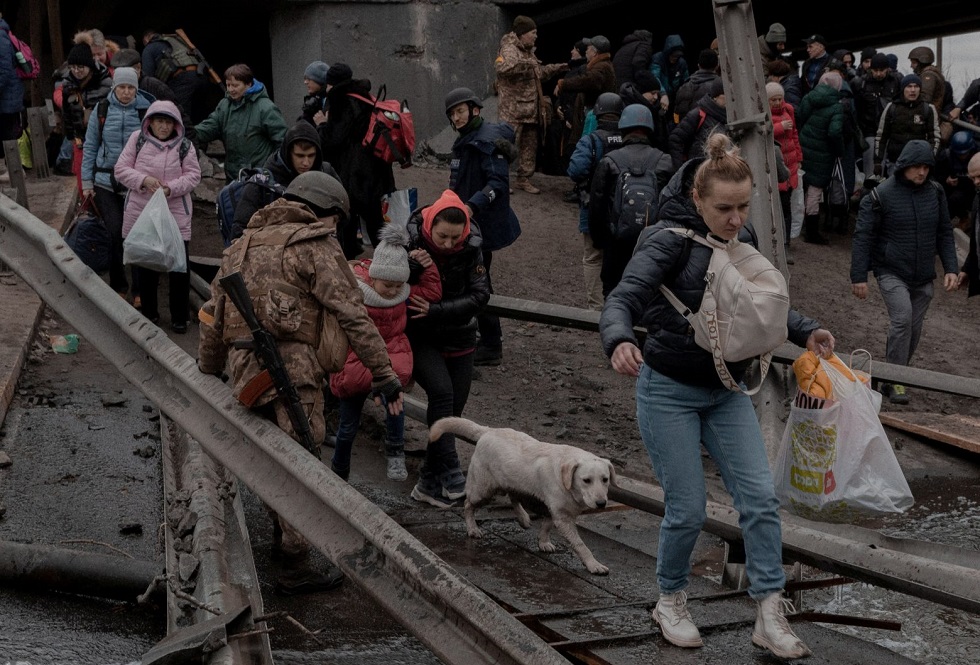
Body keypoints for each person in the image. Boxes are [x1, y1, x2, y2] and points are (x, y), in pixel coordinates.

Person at [599, 132, 830, 661]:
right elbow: (623, 298)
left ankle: (769, 611)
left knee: (761, 502)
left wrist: (805, 330)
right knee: (688, 508)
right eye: (724, 208)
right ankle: (670, 600)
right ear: (698, 200)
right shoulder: (665, 239)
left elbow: (752, 302)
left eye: (743, 207)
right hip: (668, 391)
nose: (735, 218)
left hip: (726, 391)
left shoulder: (737, 236)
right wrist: (617, 340)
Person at [197, 170, 403, 595]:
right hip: (294, 370)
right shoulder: (315, 245)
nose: (336, 229)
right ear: (325, 213)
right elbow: (352, 313)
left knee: (272, 457)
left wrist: (208, 366)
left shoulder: (239, 247)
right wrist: (384, 374)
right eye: (337, 222)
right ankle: (293, 563)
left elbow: (212, 318)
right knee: (301, 462)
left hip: (243, 370)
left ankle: (282, 539)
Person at [329, 223, 442, 482]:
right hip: (359, 354)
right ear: (373, 277)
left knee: (395, 402)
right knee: (349, 423)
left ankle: (395, 451)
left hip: (392, 349)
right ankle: (339, 470)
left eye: (397, 285)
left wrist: (428, 266)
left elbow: (433, 292)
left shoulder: (403, 293)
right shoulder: (356, 293)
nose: (392, 291)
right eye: (386, 285)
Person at [851, 140, 958, 405]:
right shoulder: (882, 195)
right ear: (904, 166)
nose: (921, 172)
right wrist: (859, 276)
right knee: (903, 319)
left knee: (914, 327)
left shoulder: (936, 193)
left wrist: (951, 268)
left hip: (923, 274)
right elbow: (863, 235)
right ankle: (896, 380)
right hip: (891, 270)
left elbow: (945, 231)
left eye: (926, 167)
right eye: (916, 167)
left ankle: (890, 375)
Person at [405, 190, 490, 507]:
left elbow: (481, 295)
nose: (448, 244)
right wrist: (412, 265)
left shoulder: (472, 249)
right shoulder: (409, 241)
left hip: (461, 336)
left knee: (452, 412)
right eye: (442, 236)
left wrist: (437, 309)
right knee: (442, 394)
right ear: (429, 226)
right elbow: (388, 277)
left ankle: (427, 483)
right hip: (420, 335)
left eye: (456, 237)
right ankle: (453, 470)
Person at [443, 87, 521, 367]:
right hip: (467, 223)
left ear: (475, 110)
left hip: (479, 226)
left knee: (478, 282)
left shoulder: (485, 141)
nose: (456, 117)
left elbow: (497, 184)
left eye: (460, 111)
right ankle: (482, 338)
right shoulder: (466, 140)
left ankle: (489, 343)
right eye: (452, 113)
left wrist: (470, 206)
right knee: (475, 279)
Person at [114, 100, 200, 333]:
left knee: (179, 267)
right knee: (146, 265)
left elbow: (193, 176)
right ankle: (150, 314)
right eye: (159, 122)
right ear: (150, 122)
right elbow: (121, 169)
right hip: (143, 214)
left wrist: (170, 188)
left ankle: (179, 318)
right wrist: (144, 180)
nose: (164, 127)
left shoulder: (185, 146)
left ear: (176, 125)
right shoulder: (137, 140)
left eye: (168, 122)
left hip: (175, 213)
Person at [80, 67, 154, 302]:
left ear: (136, 89)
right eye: (121, 87)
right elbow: (90, 146)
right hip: (105, 181)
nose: (125, 92)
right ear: (114, 87)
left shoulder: (145, 111)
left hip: (135, 182)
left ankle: (140, 289)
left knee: (137, 234)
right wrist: (87, 181)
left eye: (130, 87)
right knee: (115, 233)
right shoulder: (101, 110)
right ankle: (119, 285)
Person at [589, 104, 672, 297]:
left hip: (616, 242)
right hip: (652, 242)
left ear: (623, 127)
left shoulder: (609, 161)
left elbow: (597, 207)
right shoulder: (664, 161)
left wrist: (600, 240)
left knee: (613, 293)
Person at [318, 62, 396, 256]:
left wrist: (321, 125)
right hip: (374, 169)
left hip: (354, 173)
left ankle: (349, 262)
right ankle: (387, 259)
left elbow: (333, 138)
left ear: (331, 83)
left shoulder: (339, 100)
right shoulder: (364, 95)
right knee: (375, 218)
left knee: (346, 216)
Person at [230, 120, 341, 240]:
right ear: (288, 153)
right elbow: (239, 231)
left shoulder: (326, 175)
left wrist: (333, 218)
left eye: (311, 156)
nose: (306, 163)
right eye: (300, 156)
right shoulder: (262, 184)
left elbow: (345, 212)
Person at [494, 15, 568, 194]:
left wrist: (554, 68)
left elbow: (538, 74)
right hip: (513, 110)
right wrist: (527, 63)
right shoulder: (509, 49)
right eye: (533, 33)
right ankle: (498, 180)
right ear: (523, 33)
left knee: (529, 147)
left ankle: (523, 179)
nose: (536, 36)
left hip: (530, 109)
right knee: (506, 146)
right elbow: (502, 68)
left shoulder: (529, 51)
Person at [567, 92, 625, 310]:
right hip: (624, 212)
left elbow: (576, 169)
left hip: (594, 210)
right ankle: (620, 306)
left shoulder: (591, 140)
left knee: (593, 257)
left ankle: (596, 308)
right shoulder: (629, 138)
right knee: (622, 257)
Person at [193, 63, 288, 182]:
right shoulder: (224, 105)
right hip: (233, 176)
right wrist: (187, 133)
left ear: (248, 84)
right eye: (228, 85)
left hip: (259, 177)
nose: (231, 90)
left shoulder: (266, 108)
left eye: (235, 85)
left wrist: (274, 170)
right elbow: (210, 126)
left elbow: (282, 141)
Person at [797, 71, 845, 245]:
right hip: (823, 153)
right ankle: (812, 232)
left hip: (804, 146)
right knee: (815, 191)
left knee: (801, 185)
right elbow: (834, 132)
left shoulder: (810, 97)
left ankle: (796, 225)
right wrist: (840, 150)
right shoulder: (837, 106)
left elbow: (800, 117)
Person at [60, 43, 113, 192]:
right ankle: (87, 208)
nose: (76, 71)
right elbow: (66, 112)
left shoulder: (106, 83)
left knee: (102, 177)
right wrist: (70, 134)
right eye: (73, 67)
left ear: (89, 66)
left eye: (80, 67)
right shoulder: (67, 84)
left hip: (103, 139)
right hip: (80, 139)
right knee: (81, 175)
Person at [553, 34, 617, 147]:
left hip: (594, 116)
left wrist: (563, 83)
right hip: (593, 114)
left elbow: (587, 81)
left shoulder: (601, 67)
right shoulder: (601, 65)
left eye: (588, 49)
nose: (586, 51)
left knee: (588, 146)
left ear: (595, 52)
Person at [874, 74, 939, 179]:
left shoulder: (928, 109)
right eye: (909, 86)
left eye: (916, 86)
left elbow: (934, 137)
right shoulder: (892, 107)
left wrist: (930, 158)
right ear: (903, 88)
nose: (913, 90)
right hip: (895, 161)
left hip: (919, 164)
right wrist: (877, 161)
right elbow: (881, 136)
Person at [141, 29, 212, 124]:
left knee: (180, 116)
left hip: (182, 80)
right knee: (201, 114)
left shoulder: (149, 47)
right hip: (203, 77)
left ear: (146, 40)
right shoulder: (178, 40)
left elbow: (147, 76)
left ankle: (187, 138)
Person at [852, 53, 901, 187]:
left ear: (887, 69)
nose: (878, 74)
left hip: (890, 131)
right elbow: (857, 109)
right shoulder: (861, 83)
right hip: (869, 131)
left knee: (892, 169)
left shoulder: (896, 81)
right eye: (876, 70)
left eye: (882, 70)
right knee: (871, 173)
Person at [768, 82, 802, 264]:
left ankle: (786, 244)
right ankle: (775, 243)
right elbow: (763, 133)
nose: (777, 102)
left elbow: (795, 133)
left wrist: (799, 155)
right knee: (776, 208)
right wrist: (780, 127)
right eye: (773, 99)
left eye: (779, 98)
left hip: (790, 164)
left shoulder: (789, 110)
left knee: (787, 208)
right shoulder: (764, 114)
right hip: (776, 166)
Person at [668, 77, 727, 172]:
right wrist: (681, 171)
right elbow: (676, 139)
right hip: (700, 173)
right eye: (725, 94)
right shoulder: (698, 114)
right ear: (715, 96)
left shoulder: (734, 116)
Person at [934, 131, 978, 224]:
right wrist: (946, 179)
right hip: (954, 188)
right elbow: (937, 174)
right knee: (950, 200)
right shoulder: (946, 155)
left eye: (965, 153)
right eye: (960, 154)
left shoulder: (977, 153)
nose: (962, 156)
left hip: (974, 187)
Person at [618, 71, 669, 151]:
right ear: (641, 92)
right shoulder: (625, 105)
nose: (656, 97)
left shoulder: (658, 109)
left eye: (657, 94)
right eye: (652, 93)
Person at [649, 34, 689, 125]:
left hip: (675, 101)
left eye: (677, 56)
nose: (674, 58)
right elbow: (655, 78)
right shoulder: (658, 59)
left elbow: (686, 82)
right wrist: (663, 94)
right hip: (659, 99)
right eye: (673, 55)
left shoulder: (682, 63)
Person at [0, 14, 25, 162]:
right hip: (7, 96)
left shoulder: (1, 37)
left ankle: (14, 170)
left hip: (6, 97)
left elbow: (4, 69)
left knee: (8, 135)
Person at [672, 49, 719, 124]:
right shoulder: (720, 88)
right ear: (717, 66)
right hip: (714, 132)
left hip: (688, 131)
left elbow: (677, 116)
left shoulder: (685, 86)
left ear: (698, 65)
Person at [956, 152, 980, 296]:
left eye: (979, 176)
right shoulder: (977, 198)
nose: (976, 182)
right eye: (973, 178)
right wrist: (967, 269)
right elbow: (976, 241)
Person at [907, 46, 945, 112]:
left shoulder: (928, 75)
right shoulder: (929, 73)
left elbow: (925, 98)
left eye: (914, 63)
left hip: (927, 115)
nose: (911, 66)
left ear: (922, 62)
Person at [300, 60, 329, 126]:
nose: (305, 82)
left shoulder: (330, 102)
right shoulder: (313, 102)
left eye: (308, 79)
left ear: (319, 80)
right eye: (305, 78)